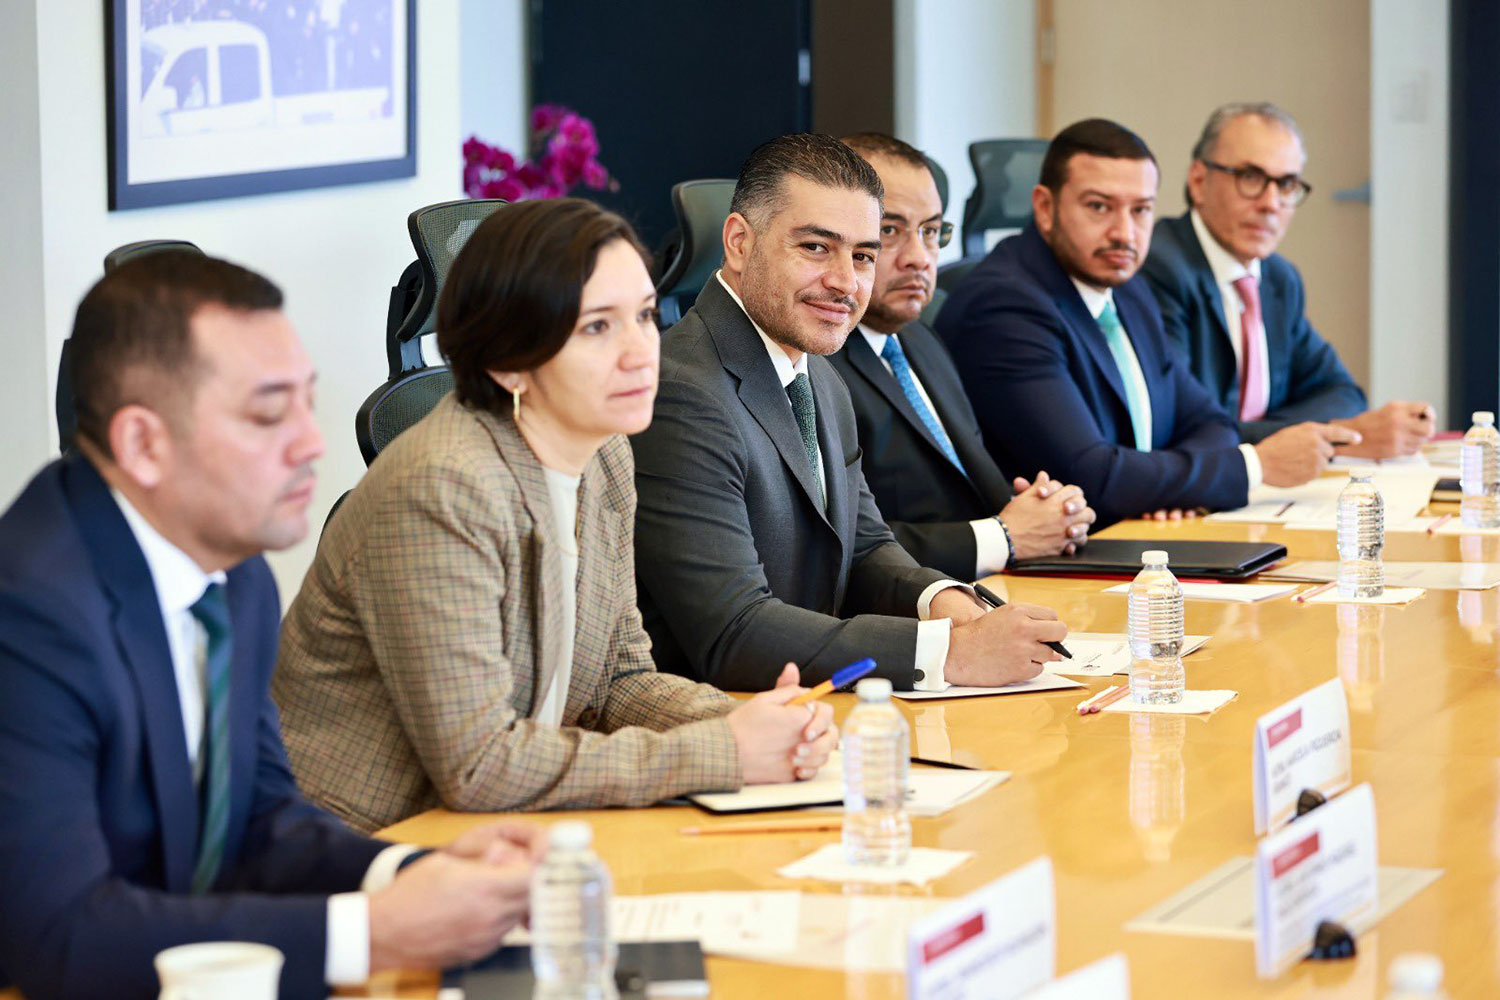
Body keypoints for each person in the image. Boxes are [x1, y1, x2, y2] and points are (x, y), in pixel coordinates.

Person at [0, 253, 543, 1000]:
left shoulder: (231, 566)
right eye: (267, 414)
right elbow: (56, 938)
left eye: (305, 402)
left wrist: (418, 875)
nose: (311, 442)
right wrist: (374, 933)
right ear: (142, 445)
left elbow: (256, 818)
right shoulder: (31, 614)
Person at [273, 199, 837, 834]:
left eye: (645, 316)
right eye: (597, 328)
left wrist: (744, 723)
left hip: (507, 830)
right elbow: (481, 765)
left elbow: (618, 681)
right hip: (370, 846)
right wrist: (723, 753)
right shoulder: (443, 487)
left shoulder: (605, 457)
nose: (640, 352)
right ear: (509, 361)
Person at [630, 132, 1068, 694]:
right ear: (739, 243)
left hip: (819, 708)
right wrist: (949, 652)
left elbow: (862, 549)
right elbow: (732, 631)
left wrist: (945, 602)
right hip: (723, 728)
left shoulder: (818, 374)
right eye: (816, 247)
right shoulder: (681, 390)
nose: (846, 283)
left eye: (863, 255)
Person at [936, 119, 1359, 527]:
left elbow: (1211, 422)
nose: (1125, 233)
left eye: (1140, 211)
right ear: (1045, 208)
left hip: (1136, 541)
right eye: (1099, 207)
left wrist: (1168, 488)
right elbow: (1093, 477)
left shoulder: (1128, 289)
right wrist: (1252, 466)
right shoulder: (1005, 306)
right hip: (1043, 570)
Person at [830, 132, 1096, 580]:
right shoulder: (816, 363)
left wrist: (1051, 512)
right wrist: (1005, 537)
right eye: (890, 231)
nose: (920, 257)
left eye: (931, 232)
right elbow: (842, 544)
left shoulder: (920, 340)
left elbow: (980, 484)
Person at [1141, 102, 1435, 456]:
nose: (1271, 203)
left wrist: (1326, 431)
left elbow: (1342, 393)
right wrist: (1336, 435)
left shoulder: (1279, 279)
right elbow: (1182, 427)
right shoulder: (1160, 266)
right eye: (1250, 178)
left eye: (1287, 184)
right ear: (1199, 182)